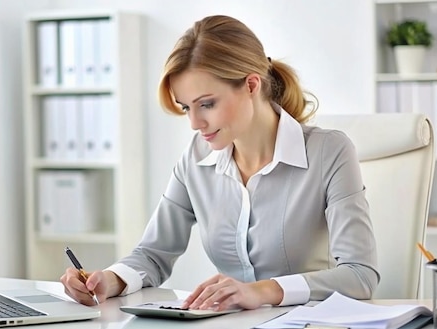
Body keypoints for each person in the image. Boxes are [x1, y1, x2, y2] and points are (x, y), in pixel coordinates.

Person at [60, 14, 379, 311]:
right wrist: (110, 281)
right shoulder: (196, 158)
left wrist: (262, 291)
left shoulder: (329, 151)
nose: (195, 123)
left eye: (207, 104)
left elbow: (360, 275)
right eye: (186, 108)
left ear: (251, 85)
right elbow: (153, 254)